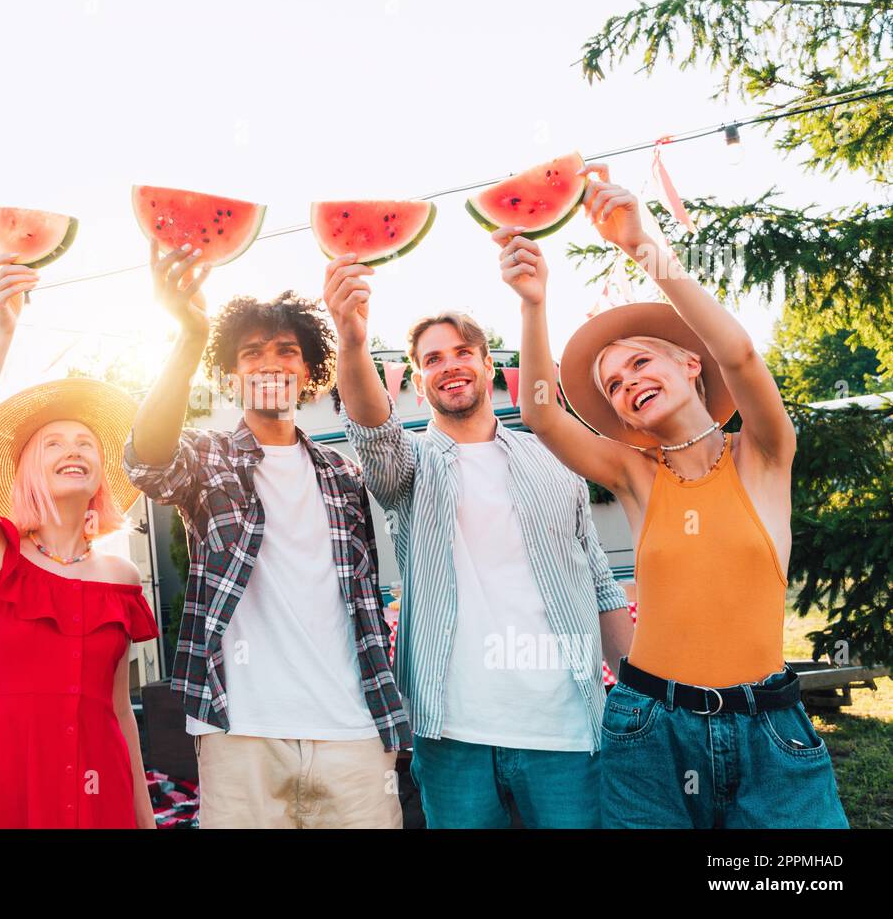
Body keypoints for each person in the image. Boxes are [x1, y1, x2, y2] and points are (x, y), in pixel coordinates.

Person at [495, 163, 848, 829]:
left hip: (768, 729)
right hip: (648, 728)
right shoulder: (636, 473)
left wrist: (643, 245)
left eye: (639, 362)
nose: (627, 382)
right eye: (614, 383)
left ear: (689, 364)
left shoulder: (764, 454)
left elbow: (740, 357)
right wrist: (533, 303)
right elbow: (543, 415)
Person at [323, 254, 633, 829]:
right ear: (418, 380)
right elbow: (371, 427)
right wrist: (352, 339)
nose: (449, 366)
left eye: (462, 352)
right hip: (453, 733)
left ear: (488, 364)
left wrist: (640, 699)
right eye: (432, 359)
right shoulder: (408, 467)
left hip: (566, 727)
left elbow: (599, 583)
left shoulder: (553, 457)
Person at [123, 240, 411, 829]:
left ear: (309, 371)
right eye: (251, 353)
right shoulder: (207, 461)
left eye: (286, 350)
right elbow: (146, 465)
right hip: (241, 731)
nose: (270, 362)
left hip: (352, 730)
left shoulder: (343, 475)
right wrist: (188, 337)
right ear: (231, 376)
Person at [0, 254, 158, 829]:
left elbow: (120, 713)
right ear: (27, 470)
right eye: (54, 442)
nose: (74, 450)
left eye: (86, 442)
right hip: (8, 782)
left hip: (99, 787)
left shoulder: (121, 579)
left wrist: (147, 820)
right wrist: (2, 330)